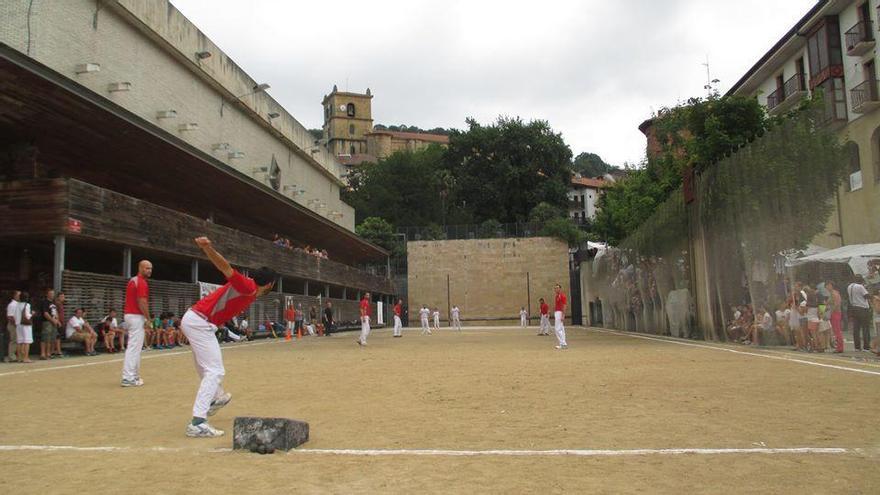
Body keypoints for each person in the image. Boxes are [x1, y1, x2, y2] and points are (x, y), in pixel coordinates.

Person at [182, 236, 278, 438]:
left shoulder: (251, 291)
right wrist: (208, 248)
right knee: (215, 371)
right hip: (200, 322)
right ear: (270, 284)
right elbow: (225, 267)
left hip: (198, 321)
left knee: (205, 368)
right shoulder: (248, 286)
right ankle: (198, 422)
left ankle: (217, 398)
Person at [121, 260, 153, 387]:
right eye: (147, 268)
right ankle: (128, 377)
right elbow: (142, 302)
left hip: (130, 315)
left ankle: (133, 375)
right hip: (136, 316)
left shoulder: (133, 280)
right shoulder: (141, 282)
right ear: (140, 268)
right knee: (134, 348)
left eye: (150, 268)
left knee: (135, 347)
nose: (149, 270)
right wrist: (148, 319)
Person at [847, 276, 871, 352]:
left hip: (854, 307)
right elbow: (866, 296)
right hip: (863, 308)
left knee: (856, 329)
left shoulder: (849, 286)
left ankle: (857, 347)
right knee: (865, 328)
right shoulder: (860, 287)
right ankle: (866, 347)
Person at [35, 288, 60, 361]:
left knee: (51, 338)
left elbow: (55, 312)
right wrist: (52, 320)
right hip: (47, 322)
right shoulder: (45, 302)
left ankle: (48, 353)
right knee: (45, 337)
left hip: (54, 322)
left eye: (53, 294)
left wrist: (57, 320)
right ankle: (43, 353)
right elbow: (45, 313)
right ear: (47, 294)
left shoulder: (53, 303)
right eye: (51, 294)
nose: (52, 295)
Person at [825, 281, 844, 353]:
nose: (826, 287)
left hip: (835, 313)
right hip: (835, 312)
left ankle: (840, 347)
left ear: (831, 285)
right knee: (836, 330)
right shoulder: (833, 293)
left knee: (837, 330)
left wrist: (830, 311)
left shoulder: (834, 293)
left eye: (827, 285)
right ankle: (839, 346)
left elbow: (836, 304)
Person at [15, 291, 33, 363]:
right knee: (27, 341)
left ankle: (19, 358)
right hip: (25, 325)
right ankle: (25, 358)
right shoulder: (27, 305)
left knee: (20, 341)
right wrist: (32, 314)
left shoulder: (17, 305)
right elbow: (27, 316)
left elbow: (15, 315)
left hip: (18, 324)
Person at [6, 290, 21, 362]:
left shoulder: (18, 304)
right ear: (14, 296)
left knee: (17, 340)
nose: (20, 297)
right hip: (13, 325)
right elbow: (10, 316)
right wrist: (16, 324)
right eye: (18, 295)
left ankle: (16, 356)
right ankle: (11, 357)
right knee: (14, 340)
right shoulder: (12, 305)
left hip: (17, 325)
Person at [53, 291, 67, 359]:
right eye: (61, 296)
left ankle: (57, 350)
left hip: (61, 322)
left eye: (63, 296)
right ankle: (57, 351)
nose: (63, 298)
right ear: (58, 297)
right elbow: (56, 313)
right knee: (57, 337)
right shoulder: (57, 304)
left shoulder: (60, 304)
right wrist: (58, 321)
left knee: (58, 337)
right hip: (58, 322)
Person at [553, 284, 568, 349]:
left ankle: (563, 343)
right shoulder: (557, 296)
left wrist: (563, 315)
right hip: (557, 312)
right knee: (561, 329)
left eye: (557, 288)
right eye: (555, 288)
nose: (556, 289)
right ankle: (563, 343)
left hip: (559, 313)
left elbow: (564, 306)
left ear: (560, 289)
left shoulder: (562, 296)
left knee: (557, 329)